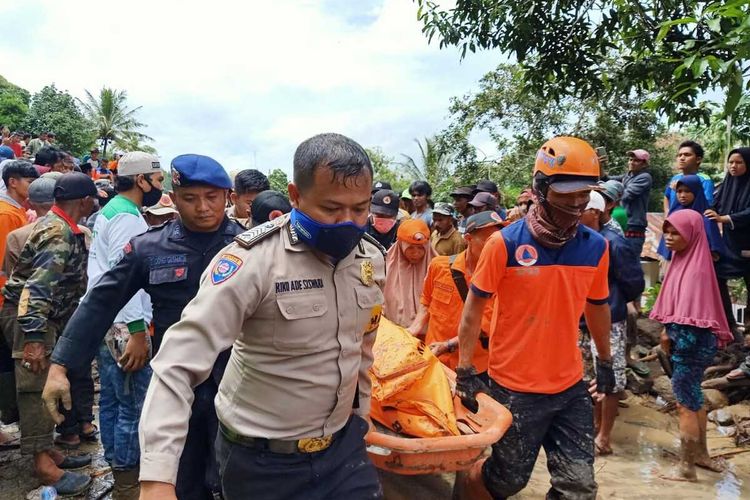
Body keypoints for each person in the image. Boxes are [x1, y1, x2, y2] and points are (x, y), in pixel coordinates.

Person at [49, 136, 386, 500]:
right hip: (226, 416)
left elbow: (359, 347)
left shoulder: (367, 259)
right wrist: (63, 362)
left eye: (360, 209)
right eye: (332, 209)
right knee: (187, 478)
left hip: (294, 418)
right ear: (296, 195)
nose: (348, 224)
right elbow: (107, 304)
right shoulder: (241, 257)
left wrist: (360, 416)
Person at [43, 154, 244, 500]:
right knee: (182, 474)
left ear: (227, 198)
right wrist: (60, 365)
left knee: (237, 476)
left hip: (240, 381)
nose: (203, 208)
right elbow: (100, 302)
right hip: (179, 383)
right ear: (173, 198)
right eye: (191, 198)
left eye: (212, 198)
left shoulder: (250, 246)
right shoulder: (150, 247)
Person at [454, 136, 615, 499]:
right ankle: (469, 486)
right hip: (514, 387)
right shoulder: (505, 244)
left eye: (583, 193)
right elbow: (474, 308)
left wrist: (605, 361)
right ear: (541, 188)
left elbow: (597, 306)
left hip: (569, 385)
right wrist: (465, 370)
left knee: (578, 486)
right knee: (507, 481)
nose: (576, 203)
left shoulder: (595, 247)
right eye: (566, 192)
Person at [0, 172, 97, 496]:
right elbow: (37, 289)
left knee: (42, 388)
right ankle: (44, 466)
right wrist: (33, 339)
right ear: (84, 201)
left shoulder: (59, 225)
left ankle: (48, 450)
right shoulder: (58, 232)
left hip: (42, 318)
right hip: (33, 320)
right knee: (35, 388)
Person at [650, 210, 733, 481]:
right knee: (695, 397)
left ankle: (686, 467)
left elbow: (689, 316)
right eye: (668, 232)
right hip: (692, 341)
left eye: (677, 233)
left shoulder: (695, 270)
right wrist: (666, 330)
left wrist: (670, 338)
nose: (670, 238)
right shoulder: (684, 260)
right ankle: (702, 456)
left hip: (690, 342)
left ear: (693, 234)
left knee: (685, 402)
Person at [579, 191, 644, 456]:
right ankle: (594, 426)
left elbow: (633, 282)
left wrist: (615, 301)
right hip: (582, 318)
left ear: (594, 212)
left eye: (581, 209)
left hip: (610, 317)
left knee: (612, 378)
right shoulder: (581, 239)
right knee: (590, 376)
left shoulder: (614, 242)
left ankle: (604, 436)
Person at [409, 211, 503, 375]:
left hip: (474, 367)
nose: (496, 246)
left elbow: (488, 325)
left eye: (499, 241)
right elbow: (426, 302)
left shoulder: (501, 279)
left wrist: (448, 345)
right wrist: (413, 329)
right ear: (468, 239)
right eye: (489, 241)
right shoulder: (438, 266)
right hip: (435, 358)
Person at [706, 148, 750, 352]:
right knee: (717, 275)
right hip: (731, 245)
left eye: (739, 162)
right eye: (731, 162)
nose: (733, 166)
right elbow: (713, 204)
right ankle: (730, 324)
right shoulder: (727, 184)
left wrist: (726, 219)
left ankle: (748, 329)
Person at [384, 218, 436, 329]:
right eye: (410, 247)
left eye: (420, 248)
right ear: (400, 245)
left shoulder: (439, 268)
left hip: (429, 337)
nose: (416, 253)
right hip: (392, 334)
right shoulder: (384, 266)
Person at [657, 175, 723, 261]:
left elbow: (714, 251)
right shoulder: (674, 215)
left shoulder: (706, 218)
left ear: (696, 192)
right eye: (679, 191)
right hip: (674, 264)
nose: (683, 195)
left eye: (687, 191)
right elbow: (666, 251)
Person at [0, 160, 39, 299]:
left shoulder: (17, 209)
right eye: (30, 182)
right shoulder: (6, 214)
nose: (34, 187)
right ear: (13, 182)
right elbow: (4, 261)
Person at [619, 149, 653, 258]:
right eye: (630, 159)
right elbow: (607, 179)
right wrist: (600, 165)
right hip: (623, 222)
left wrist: (610, 192)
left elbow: (626, 195)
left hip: (634, 224)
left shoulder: (644, 177)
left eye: (636, 160)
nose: (631, 162)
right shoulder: (627, 176)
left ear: (644, 164)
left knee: (630, 262)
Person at [665, 140, 714, 213]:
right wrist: (667, 212)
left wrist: (677, 191)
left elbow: (706, 205)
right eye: (679, 155)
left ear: (698, 159)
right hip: (673, 220)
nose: (681, 158)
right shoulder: (675, 178)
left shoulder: (704, 180)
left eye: (687, 155)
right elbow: (667, 196)